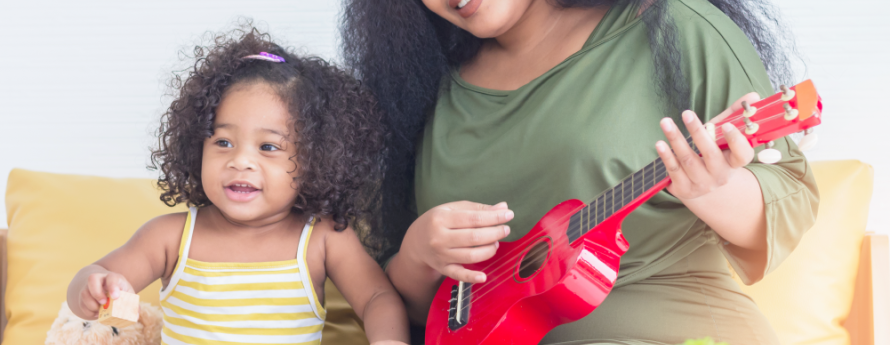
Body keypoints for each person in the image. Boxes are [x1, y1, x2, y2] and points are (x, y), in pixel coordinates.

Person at [342, 0, 819, 343]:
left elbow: (791, 197)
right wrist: (417, 257)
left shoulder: (673, 22)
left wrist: (714, 189)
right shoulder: (426, 91)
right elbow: (434, 317)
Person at [66, 27, 409, 345]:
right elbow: (97, 279)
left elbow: (378, 298)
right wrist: (93, 288)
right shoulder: (168, 238)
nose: (240, 161)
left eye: (268, 147)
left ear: (316, 161)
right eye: (223, 142)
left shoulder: (322, 239)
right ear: (195, 145)